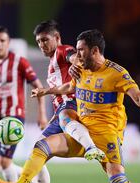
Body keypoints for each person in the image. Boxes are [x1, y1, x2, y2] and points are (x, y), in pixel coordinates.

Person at [0, 29, 140, 183]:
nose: (77, 56)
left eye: (81, 51)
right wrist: (46, 91)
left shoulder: (116, 73)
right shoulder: (81, 70)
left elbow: (138, 97)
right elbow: (69, 88)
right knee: (42, 146)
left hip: (106, 136)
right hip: (82, 132)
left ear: (94, 50)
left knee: (118, 180)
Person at [0, 26, 49, 183]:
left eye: (2, 40)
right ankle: (29, 176)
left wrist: (41, 114)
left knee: (4, 162)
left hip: (13, 119)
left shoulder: (20, 62)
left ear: (8, 43)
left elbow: (38, 87)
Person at [33, 20, 105, 161]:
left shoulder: (62, 50)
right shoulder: (52, 63)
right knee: (37, 151)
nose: (41, 45)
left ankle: (91, 147)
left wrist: (76, 64)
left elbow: (76, 58)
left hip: (71, 104)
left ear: (57, 38)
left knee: (65, 118)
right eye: (38, 41)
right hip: (61, 110)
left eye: (45, 40)